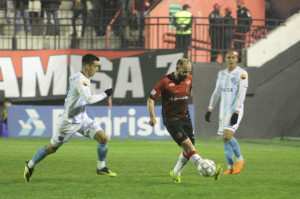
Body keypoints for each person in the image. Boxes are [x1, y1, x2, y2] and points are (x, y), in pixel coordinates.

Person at [24, 54, 117, 182]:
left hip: (82, 118)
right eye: (95, 66)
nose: (97, 69)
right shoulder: (81, 80)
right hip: (68, 123)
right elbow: (88, 99)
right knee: (51, 148)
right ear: (87, 66)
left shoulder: (80, 77)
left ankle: (101, 167)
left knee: (103, 138)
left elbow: (72, 82)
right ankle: (30, 165)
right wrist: (105, 94)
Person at [147, 58, 222, 183]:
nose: (187, 75)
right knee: (188, 146)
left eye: (189, 72)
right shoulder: (165, 82)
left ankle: (175, 173)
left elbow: (189, 86)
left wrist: (189, 91)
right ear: (177, 69)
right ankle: (209, 169)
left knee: (189, 150)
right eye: (184, 72)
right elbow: (150, 99)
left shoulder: (189, 79)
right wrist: (152, 117)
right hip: (171, 120)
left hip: (185, 117)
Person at [205, 51, 247, 175]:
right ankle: (231, 167)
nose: (230, 60)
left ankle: (240, 160)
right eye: (228, 57)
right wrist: (210, 108)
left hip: (234, 110)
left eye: (233, 57)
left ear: (236, 59)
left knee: (228, 136)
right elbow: (217, 92)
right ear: (225, 59)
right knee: (224, 138)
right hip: (223, 110)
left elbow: (242, 94)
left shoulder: (242, 74)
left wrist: (237, 111)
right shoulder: (221, 74)